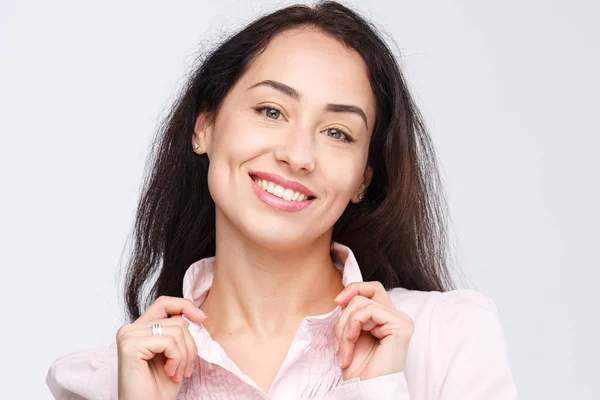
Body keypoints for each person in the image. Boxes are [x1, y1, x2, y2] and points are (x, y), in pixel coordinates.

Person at [46, 1, 517, 399]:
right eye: (271, 111)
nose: (297, 155)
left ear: (363, 178)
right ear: (203, 126)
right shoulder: (105, 382)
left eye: (337, 132)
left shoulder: (447, 342)